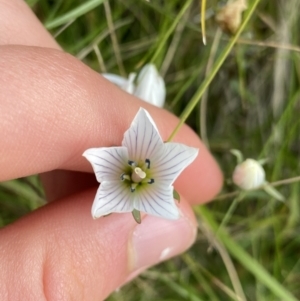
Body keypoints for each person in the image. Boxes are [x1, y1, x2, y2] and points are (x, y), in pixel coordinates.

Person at [0, 0, 223, 299]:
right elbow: (104, 158)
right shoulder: (130, 164)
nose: (139, 172)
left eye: (138, 173)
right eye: (138, 172)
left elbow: (161, 172)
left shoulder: (154, 180)